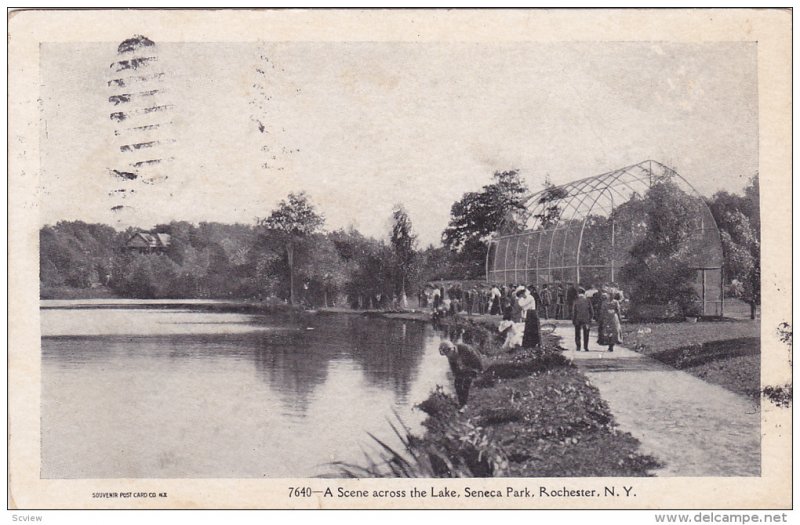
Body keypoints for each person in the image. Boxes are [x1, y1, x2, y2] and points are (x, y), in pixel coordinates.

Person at [439, 340, 484, 409]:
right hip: (464, 367)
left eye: (447, 353)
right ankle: (461, 403)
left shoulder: (465, 349)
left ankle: (465, 404)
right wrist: (457, 375)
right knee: (457, 383)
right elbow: (454, 368)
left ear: (452, 349)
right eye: (445, 354)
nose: (447, 356)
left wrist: (480, 371)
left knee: (466, 382)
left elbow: (477, 359)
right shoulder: (450, 356)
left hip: (474, 366)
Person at [571, 287, 594, 352]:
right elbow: (591, 311)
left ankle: (578, 347)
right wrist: (591, 318)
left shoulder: (576, 300)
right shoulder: (588, 300)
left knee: (577, 333)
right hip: (586, 319)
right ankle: (586, 347)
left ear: (578, 293)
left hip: (578, 319)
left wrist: (573, 319)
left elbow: (574, 311)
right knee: (586, 333)